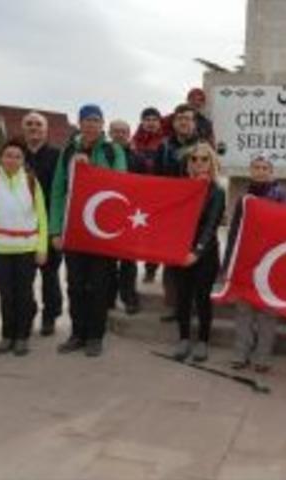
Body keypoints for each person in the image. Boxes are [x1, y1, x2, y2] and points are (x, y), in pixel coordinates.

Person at [49, 104, 127, 357]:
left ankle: (95, 335)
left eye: (96, 120)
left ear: (102, 124)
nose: (91, 124)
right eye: (87, 120)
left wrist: (89, 171)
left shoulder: (112, 150)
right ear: (79, 124)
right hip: (74, 230)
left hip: (101, 232)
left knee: (99, 285)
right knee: (75, 284)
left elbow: (120, 185)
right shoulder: (69, 150)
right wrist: (55, 230)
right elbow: (59, 191)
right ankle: (77, 333)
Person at [0, 139, 48, 356]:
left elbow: (42, 217)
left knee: (24, 294)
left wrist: (42, 247)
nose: (12, 160)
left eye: (17, 156)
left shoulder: (32, 182)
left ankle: (22, 336)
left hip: (27, 249)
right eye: (8, 155)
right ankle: (8, 335)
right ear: (1, 158)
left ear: (23, 160)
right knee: (6, 295)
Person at [226, 155, 286, 372]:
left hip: (270, 264)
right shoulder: (243, 198)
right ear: (251, 171)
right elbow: (234, 232)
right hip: (245, 262)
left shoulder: (281, 196)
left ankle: (263, 357)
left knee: (267, 313)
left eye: (265, 168)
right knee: (243, 311)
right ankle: (240, 353)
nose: (261, 171)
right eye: (257, 167)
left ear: (271, 171)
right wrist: (228, 264)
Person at [172, 141, 225, 362]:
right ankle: (184, 338)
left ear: (211, 162)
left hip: (205, 253)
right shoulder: (181, 186)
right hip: (179, 251)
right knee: (182, 298)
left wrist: (196, 252)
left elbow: (211, 225)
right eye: (194, 159)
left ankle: (203, 341)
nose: (199, 163)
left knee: (202, 298)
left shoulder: (217, 191)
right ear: (189, 163)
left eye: (204, 159)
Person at [155, 104, 201, 322]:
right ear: (174, 123)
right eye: (180, 118)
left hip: (196, 212)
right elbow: (154, 180)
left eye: (188, 118)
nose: (184, 122)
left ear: (194, 122)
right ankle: (174, 306)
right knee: (171, 261)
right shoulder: (163, 147)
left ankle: (191, 305)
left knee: (192, 260)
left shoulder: (203, 147)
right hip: (170, 213)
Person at [22, 111, 63, 336]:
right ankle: (27, 314)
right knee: (24, 277)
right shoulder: (16, 156)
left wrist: (58, 228)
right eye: (29, 124)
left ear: (46, 130)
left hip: (49, 225)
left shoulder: (58, 156)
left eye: (38, 124)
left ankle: (50, 316)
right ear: (23, 129)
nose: (34, 127)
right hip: (21, 228)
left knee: (49, 275)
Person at [107, 119, 141, 315]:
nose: (120, 134)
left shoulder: (137, 158)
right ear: (110, 133)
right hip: (108, 213)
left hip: (131, 215)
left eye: (123, 131)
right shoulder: (103, 155)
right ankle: (109, 298)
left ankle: (129, 297)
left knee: (129, 261)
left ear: (129, 134)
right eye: (116, 131)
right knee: (108, 263)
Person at [131, 107, 165, 283]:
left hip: (159, 195)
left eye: (154, 119)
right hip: (139, 195)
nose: (151, 122)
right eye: (147, 119)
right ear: (142, 122)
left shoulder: (165, 141)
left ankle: (151, 268)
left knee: (156, 235)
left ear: (159, 122)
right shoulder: (134, 142)